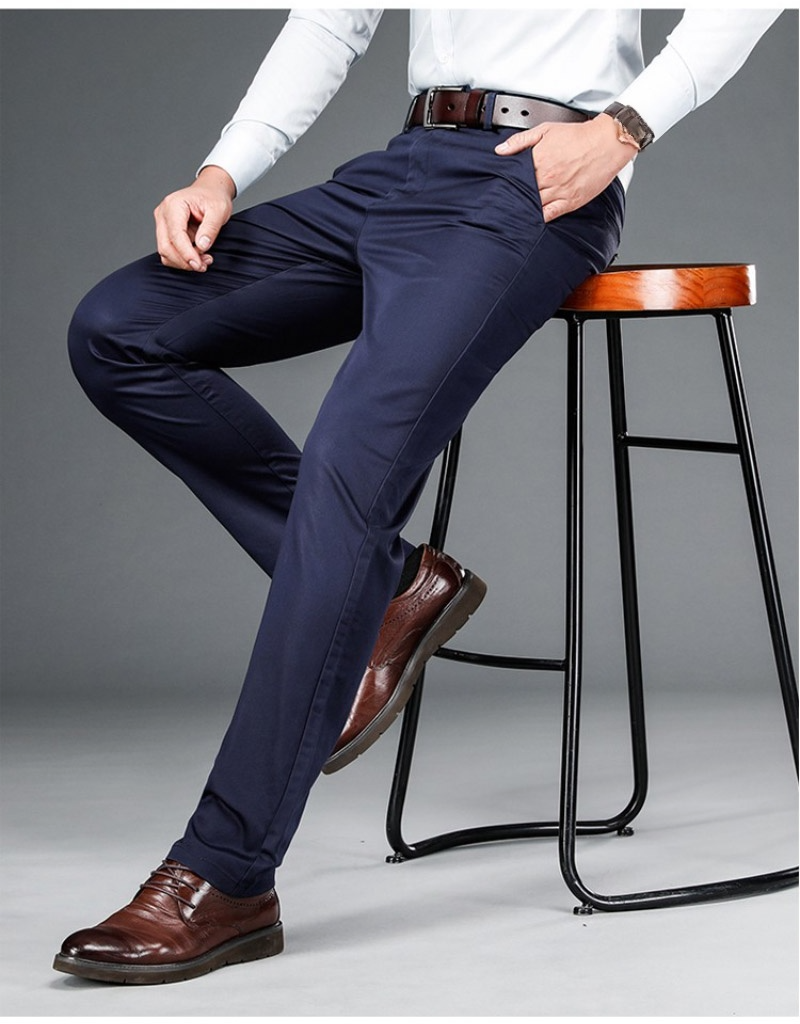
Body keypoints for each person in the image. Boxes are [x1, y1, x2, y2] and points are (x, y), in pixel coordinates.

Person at [53, 8, 779, 985]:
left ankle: (226, 872)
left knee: (348, 470)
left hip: (533, 178)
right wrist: (222, 171)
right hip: (402, 167)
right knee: (117, 330)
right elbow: (331, 20)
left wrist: (622, 129)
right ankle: (392, 585)